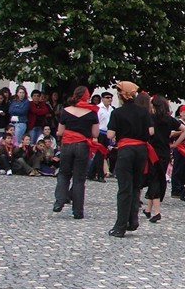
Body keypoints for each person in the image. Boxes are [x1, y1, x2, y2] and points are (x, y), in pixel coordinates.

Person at [106, 81, 153, 238]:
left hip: (126, 150)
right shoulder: (143, 112)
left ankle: (120, 226)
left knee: (124, 188)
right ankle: (132, 220)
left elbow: (110, 135)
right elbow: (151, 131)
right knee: (136, 186)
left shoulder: (117, 113)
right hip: (141, 150)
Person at [53, 86, 100, 220]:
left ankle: (60, 201)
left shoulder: (66, 111)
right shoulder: (91, 113)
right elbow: (95, 133)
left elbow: (60, 132)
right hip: (82, 146)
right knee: (79, 179)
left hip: (67, 145)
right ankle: (78, 211)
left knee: (63, 173)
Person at [143, 96, 185, 223]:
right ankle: (148, 209)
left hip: (152, 152)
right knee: (157, 177)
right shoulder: (169, 119)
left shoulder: (151, 118)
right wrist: (175, 144)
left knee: (154, 180)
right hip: (165, 151)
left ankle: (157, 211)